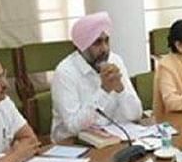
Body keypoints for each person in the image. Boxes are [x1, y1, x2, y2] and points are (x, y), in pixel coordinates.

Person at [51, 12, 143, 143]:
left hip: (112, 137)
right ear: (82, 46)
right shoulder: (65, 72)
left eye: (106, 41)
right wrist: (104, 91)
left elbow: (136, 114)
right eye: (97, 43)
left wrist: (120, 89)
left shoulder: (115, 60)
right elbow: (73, 127)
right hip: (74, 143)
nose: (105, 49)